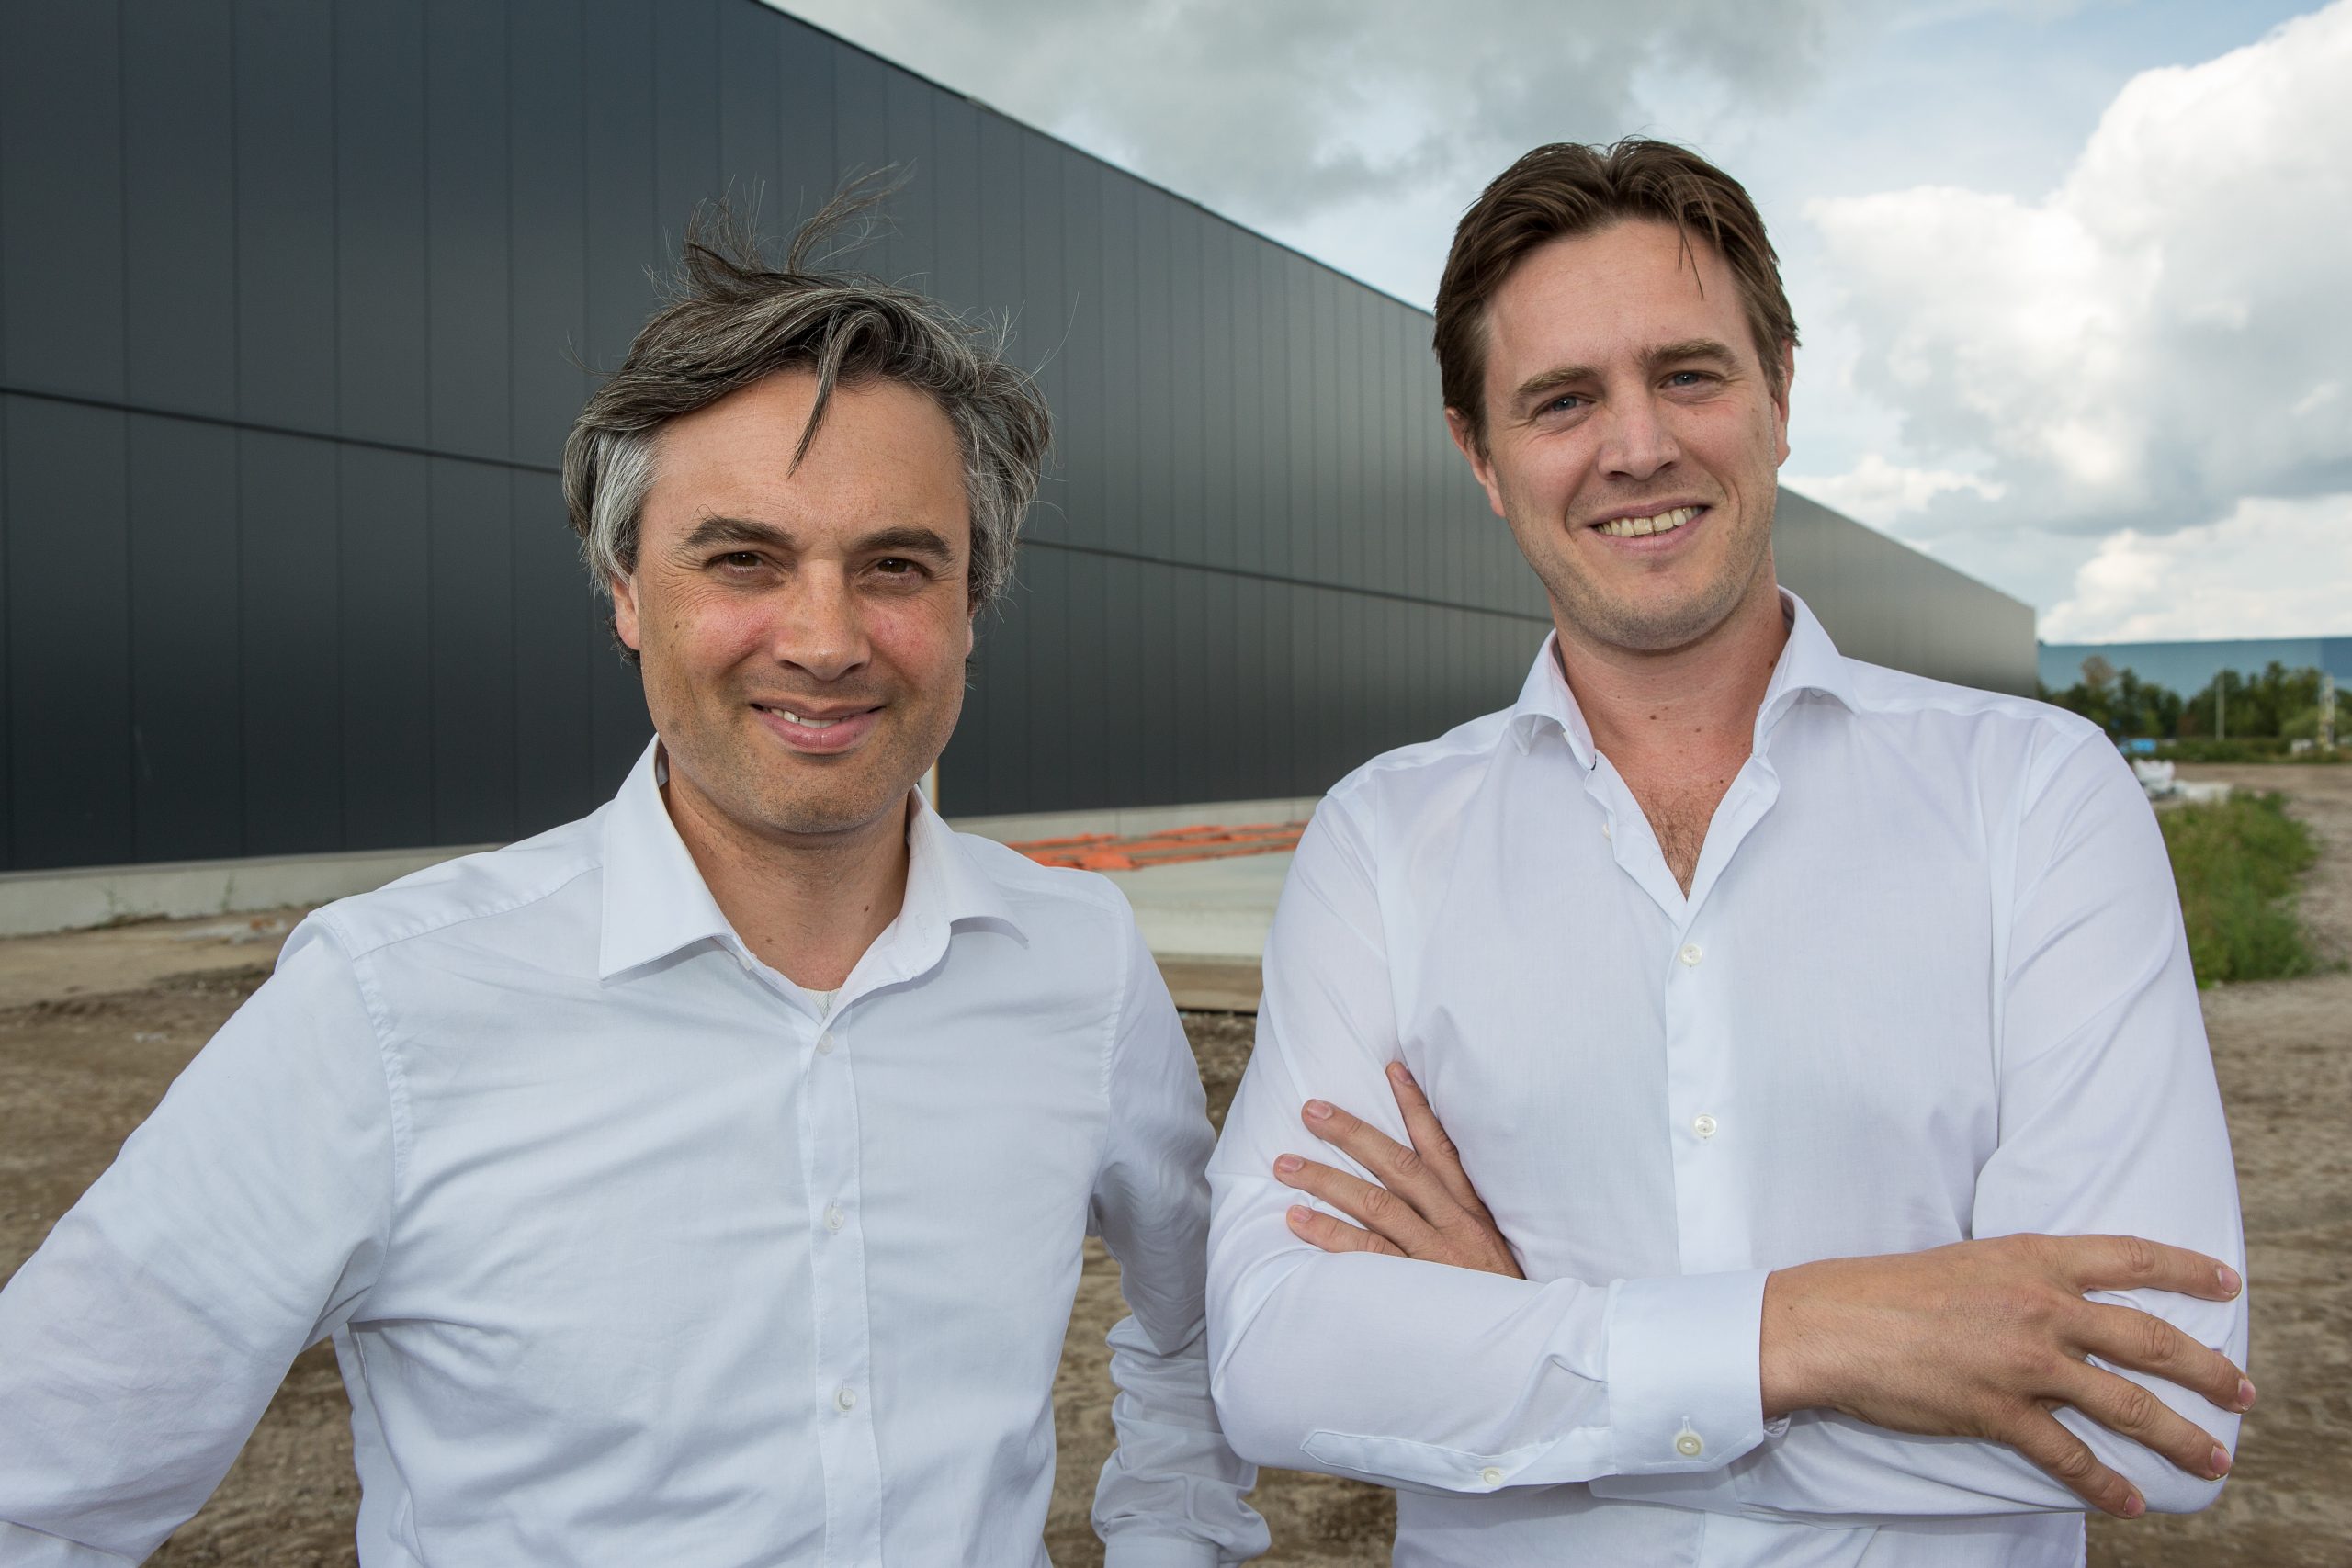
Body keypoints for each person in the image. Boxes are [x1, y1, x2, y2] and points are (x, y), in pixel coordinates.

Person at [0, 193, 1265, 1567]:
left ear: (974, 602)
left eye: (896, 565)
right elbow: (43, 1479)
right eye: (744, 560)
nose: (826, 639)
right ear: (622, 588)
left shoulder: (1077, 959)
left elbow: (1200, 1326)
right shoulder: (386, 1007)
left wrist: (1174, 1543)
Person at [1204, 140, 2249, 1568]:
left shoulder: (2037, 799)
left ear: (1781, 394)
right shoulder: (1380, 843)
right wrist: (1817, 1336)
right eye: (1563, 400)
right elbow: (1276, 1359)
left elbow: (2146, 1408)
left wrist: (1527, 1356)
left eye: (1687, 373)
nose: (1636, 445)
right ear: (1483, 459)